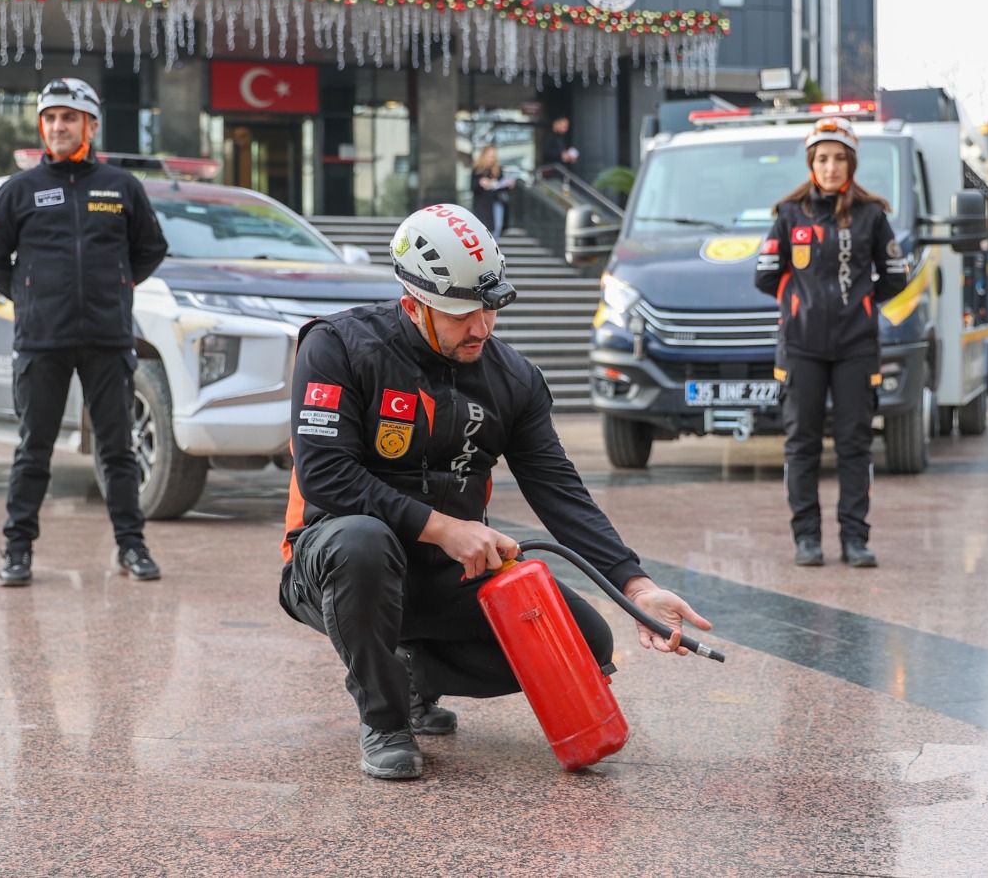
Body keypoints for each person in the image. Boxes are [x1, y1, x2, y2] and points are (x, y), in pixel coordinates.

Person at [279, 203, 711, 780]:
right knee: (362, 541)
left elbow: (558, 487)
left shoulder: (514, 379)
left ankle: (414, 676)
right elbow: (325, 475)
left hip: (446, 573)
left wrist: (637, 586)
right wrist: (444, 527)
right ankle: (385, 720)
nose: (480, 327)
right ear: (413, 305)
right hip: (333, 565)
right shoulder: (338, 347)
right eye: (460, 314)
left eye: (489, 308)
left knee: (587, 643)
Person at [0, 78, 170, 587]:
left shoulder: (120, 186)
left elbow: (150, 248)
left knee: (118, 450)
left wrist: (116, 287)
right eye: (51, 118)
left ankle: (133, 547)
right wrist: (29, 296)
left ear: (91, 125)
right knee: (33, 449)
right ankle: (17, 551)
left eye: (69, 117)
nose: (58, 126)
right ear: (43, 126)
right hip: (42, 340)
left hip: (107, 337)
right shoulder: (20, 190)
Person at [754, 117, 907, 569]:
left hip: (857, 347)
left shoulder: (873, 215)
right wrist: (800, 302)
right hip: (801, 347)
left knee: (854, 445)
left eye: (840, 158)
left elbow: (895, 276)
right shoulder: (789, 214)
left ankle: (855, 541)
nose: (831, 166)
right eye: (823, 158)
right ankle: (807, 540)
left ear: (852, 163)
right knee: (801, 444)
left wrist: (860, 303)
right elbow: (765, 276)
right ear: (811, 163)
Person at [469, 145, 513, 237]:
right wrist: (480, 183)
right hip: (483, 204)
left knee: (497, 226)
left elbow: (500, 185)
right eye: (490, 156)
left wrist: (507, 185)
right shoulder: (478, 169)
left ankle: (493, 248)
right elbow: (473, 187)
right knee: (484, 228)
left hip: (496, 200)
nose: (492, 159)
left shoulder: (497, 170)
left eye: (493, 156)